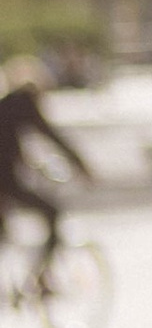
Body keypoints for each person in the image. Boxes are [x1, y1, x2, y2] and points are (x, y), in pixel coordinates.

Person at [0, 63, 87, 247]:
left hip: (6, 180)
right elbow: (50, 135)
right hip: (5, 180)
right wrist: (79, 163)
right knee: (52, 213)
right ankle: (39, 274)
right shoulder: (23, 103)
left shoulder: (6, 106)